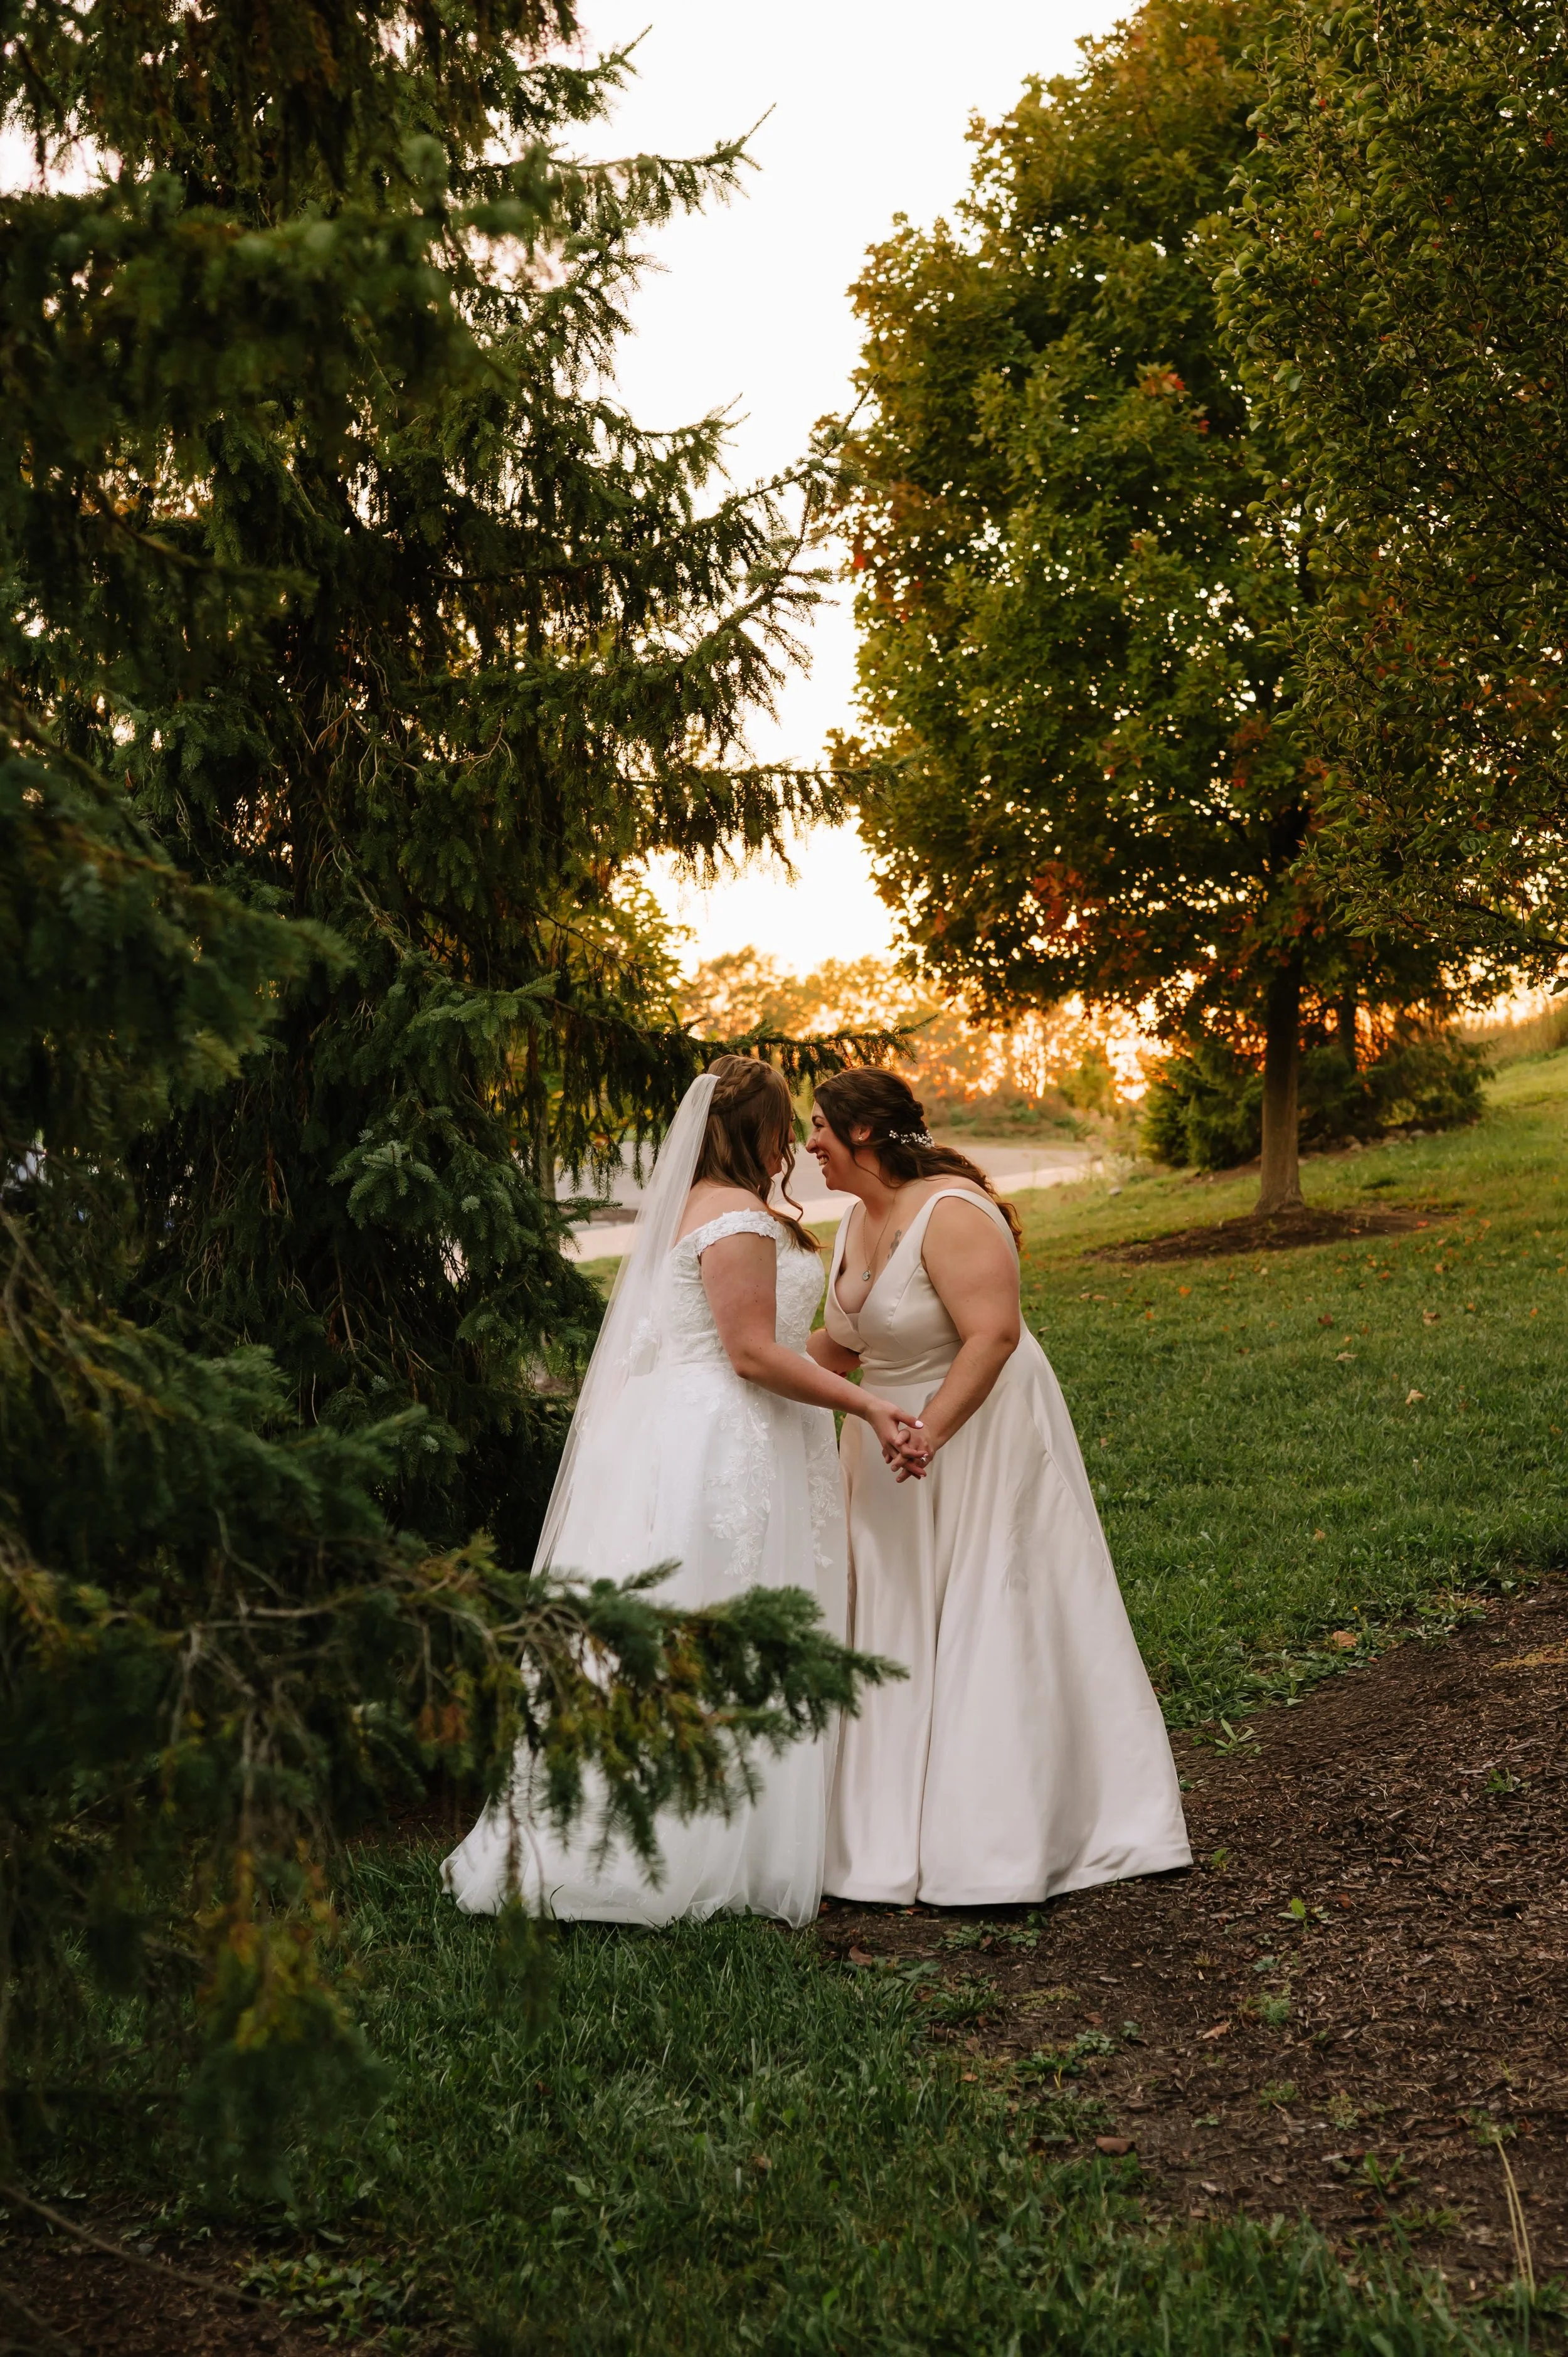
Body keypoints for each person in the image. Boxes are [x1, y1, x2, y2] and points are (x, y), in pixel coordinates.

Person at [443, 1056, 917, 1929]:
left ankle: (736, 1827)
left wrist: (862, 1339)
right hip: (728, 1431)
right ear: (762, 1132)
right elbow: (749, 1351)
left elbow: (775, 1336)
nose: (797, 1142)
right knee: (720, 1612)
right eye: (789, 1125)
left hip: (735, 1423)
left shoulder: (719, 1207)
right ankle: (679, 1843)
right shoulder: (734, 1215)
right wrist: (866, 1404)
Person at [806, 1067, 1190, 1907]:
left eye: (822, 1127)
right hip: (887, 1439)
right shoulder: (854, 1222)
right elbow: (839, 1347)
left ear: (864, 1132)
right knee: (897, 1611)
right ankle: (886, 1828)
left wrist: (930, 1432)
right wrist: (740, 1376)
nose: (810, 1145)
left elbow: (994, 1334)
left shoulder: (952, 1211)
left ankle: (1009, 1834)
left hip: (975, 1430)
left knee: (989, 1609)